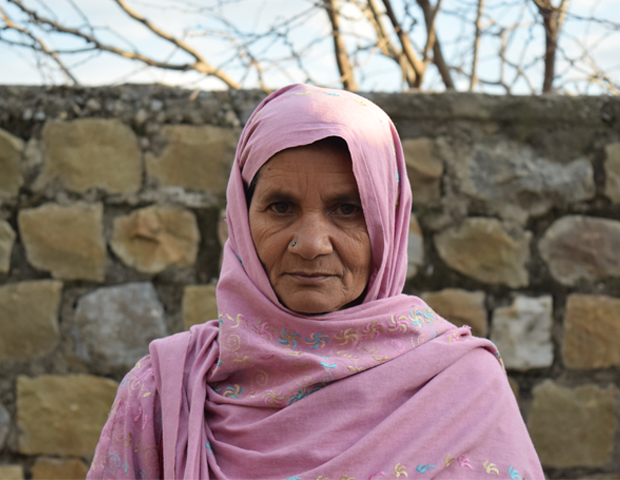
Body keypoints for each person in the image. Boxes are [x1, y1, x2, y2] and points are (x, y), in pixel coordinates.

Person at [87, 84, 544, 480]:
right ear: (242, 221)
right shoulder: (162, 395)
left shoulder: (460, 389)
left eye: (348, 209)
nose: (310, 243)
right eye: (280, 207)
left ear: (387, 223)